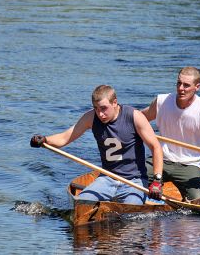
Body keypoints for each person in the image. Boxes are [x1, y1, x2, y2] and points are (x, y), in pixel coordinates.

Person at [30, 85, 164, 204]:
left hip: (134, 182)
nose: (100, 114)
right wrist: (45, 140)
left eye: (104, 108)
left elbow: (155, 147)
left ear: (115, 103)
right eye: (96, 108)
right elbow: (64, 138)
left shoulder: (134, 116)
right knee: (81, 203)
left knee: (130, 215)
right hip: (106, 178)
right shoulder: (90, 117)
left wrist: (157, 181)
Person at [141, 66, 200, 201]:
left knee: (198, 202)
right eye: (179, 83)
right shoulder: (162, 102)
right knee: (128, 183)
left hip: (189, 165)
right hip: (159, 160)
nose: (181, 88)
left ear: (197, 87)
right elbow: (139, 118)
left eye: (186, 85)